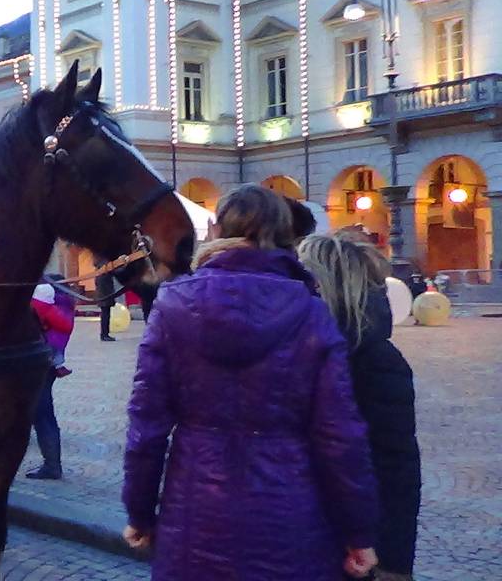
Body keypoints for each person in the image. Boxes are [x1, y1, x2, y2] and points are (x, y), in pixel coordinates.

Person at [122, 184, 379, 581]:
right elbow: (339, 435)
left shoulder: (172, 306)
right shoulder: (311, 313)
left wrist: (139, 512)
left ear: (215, 229)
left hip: (196, 511)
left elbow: (147, 426)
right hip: (290, 512)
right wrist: (358, 531)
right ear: (284, 235)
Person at [299, 233, 422, 581]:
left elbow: (397, 468)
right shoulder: (301, 346)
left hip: (354, 543)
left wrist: (392, 563)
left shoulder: (374, 359)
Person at [26, 276, 76, 480]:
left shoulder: (37, 304)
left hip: (36, 363)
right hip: (49, 362)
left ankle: (52, 465)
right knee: (42, 413)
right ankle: (51, 463)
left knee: (42, 413)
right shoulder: (62, 305)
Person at [94, 257, 116, 342]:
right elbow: (114, 271)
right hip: (105, 294)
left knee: (105, 314)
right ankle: (105, 334)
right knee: (106, 315)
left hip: (103, 293)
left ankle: (104, 334)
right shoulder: (105, 265)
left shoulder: (99, 266)